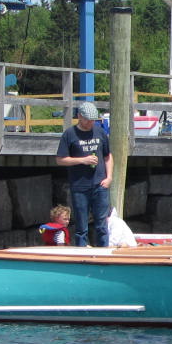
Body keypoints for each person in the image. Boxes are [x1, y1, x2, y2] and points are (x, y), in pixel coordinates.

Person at [55, 102, 112, 246]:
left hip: (100, 184)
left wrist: (109, 177)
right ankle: (81, 254)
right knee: (81, 227)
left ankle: (104, 253)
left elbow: (108, 156)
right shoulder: (69, 134)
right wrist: (82, 160)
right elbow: (60, 160)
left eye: (93, 120)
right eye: (87, 119)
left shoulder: (100, 132)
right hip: (79, 186)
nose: (90, 122)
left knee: (102, 225)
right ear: (79, 116)